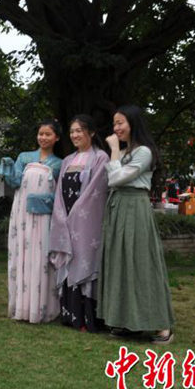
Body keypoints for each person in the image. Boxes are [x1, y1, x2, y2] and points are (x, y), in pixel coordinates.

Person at [99, 105, 175, 344]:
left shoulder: (144, 152)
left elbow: (116, 178)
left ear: (133, 123)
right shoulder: (127, 153)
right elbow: (113, 179)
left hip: (135, 207)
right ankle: (127, 322)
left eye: (120, 123)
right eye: (114, 123)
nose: (116, 128)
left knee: (142, 263)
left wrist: (112, 149)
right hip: (119, 208)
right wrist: (117, 154)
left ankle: (162, 325)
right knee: (121, 263)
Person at [0, 120, 63, 324]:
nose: (43, 138)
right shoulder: (24, 157)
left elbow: (60, 193)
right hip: (22, 214)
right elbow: (15, 182)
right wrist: (8, 167)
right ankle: (22, 306)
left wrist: (45, 201)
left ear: (57, 138)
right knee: (22, 255)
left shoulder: (59, 163)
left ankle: (42, 307)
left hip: (44, 216)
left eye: (48, 134)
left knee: (42, 257)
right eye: (40, 134)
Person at [48, 115, 109, 333]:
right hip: (65, 219)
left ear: (91, 133)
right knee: (69, 260)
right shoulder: (67, 161)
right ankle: (71, 316)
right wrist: (61, 214)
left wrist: (75, 213)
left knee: (84, 260)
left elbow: (95, 191)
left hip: (85, 222)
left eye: (79, 130)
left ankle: (88, 319)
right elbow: (58, 194)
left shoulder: (101, 158)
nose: (74, 135)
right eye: (72, 131)